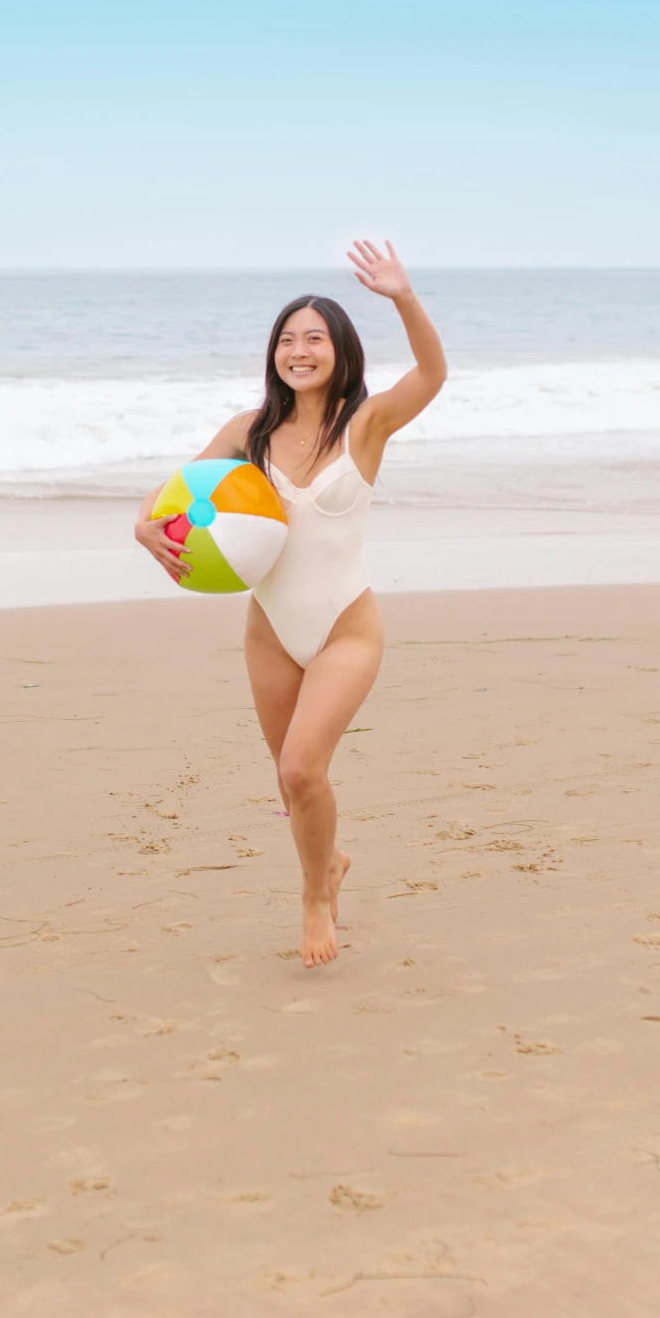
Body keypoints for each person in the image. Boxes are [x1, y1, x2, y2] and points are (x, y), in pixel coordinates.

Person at [134, 242, 447, 966]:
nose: (298, 350)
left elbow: (433, 374)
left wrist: (402, 296)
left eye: (314, 339)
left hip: (345, 628)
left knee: (303, 769)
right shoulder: (251, 431)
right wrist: (142, 523)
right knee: (290, 779)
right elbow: (173, 489)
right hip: (271, 630)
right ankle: (329, 861)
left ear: (341, 351)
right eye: (287, 339)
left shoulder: (365, 425)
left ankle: (314, 899)